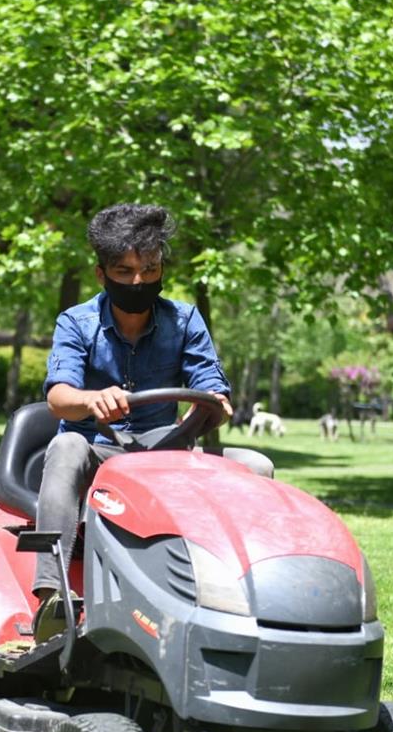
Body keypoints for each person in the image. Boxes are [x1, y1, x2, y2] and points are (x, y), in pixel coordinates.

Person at [31, 203, 272, 639]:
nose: (139, 281)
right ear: (101, 274)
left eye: (150, 269)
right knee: (64, 447)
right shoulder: (76, 322)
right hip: (97, 450)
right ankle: (52, 594)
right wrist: (92, 399)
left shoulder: (186, 320)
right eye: (124, 272)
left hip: (165, 452)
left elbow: (212, 389)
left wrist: (213, 404)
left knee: (257, 466)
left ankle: (247, 592)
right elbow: (59, 399)